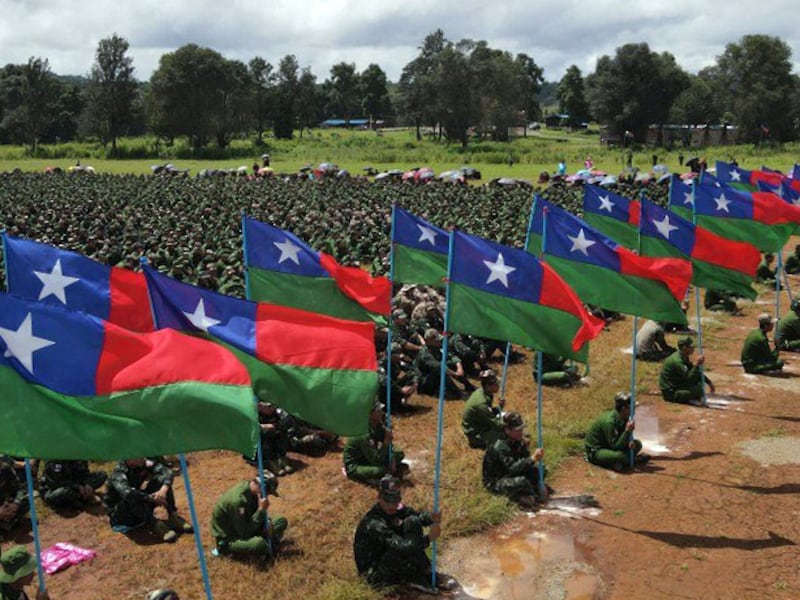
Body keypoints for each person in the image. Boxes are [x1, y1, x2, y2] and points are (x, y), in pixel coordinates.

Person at [353, 475, 446, 594]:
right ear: (379, 498)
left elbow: (416, 516)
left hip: (387, 556)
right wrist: (428, 538)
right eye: (388, 502)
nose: (392, 506)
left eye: (395, 501)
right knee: (400, 549)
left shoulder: (396, 509)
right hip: (374, 574)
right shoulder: (374, 523)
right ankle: (411, 577)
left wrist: (431, 517)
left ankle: (424, 571)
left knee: (412, 521)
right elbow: (402, 547)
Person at [104, 458, 193, 543]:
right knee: (132, 496)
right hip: (121, 514)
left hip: (139, 502)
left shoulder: (143, 462)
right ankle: (154, 524)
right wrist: (151, 498)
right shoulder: (119, 473)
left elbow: (167, 471)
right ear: (129, 459)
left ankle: (173, 516)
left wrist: (163, 490)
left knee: (160, 480)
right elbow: (127, 493)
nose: (142, 457)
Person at [210, 476, 287, 561]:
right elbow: (244, 533)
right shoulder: (237, 501)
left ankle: (268, 542)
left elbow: (251, 517)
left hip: (246, 525)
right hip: (231, 538)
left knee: (281, 521)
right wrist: (261, 510)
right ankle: (228, 551)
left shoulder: (251, 489)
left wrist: (266, 522)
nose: (267, 496)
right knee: (259, 543)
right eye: (267, 492)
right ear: (262, 488)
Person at [482, 412, 547, 508]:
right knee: (522, 481)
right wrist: (532, 458)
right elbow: (513, 468)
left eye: (521, 428)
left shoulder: (517, 440)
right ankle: (520, 497)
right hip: (497, 481)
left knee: (541, 470)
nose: (521, 432)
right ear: (507, 430)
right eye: (517, 430)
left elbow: (523, 463)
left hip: (510, 474)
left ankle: (531, 491)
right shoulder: (500, 445)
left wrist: (524, 448)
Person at [343, 401, 406, 485]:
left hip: (369, 457)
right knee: (382, 469)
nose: (382, 413)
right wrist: (386, 442)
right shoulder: (363, 433)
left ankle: (381, 473)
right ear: (370, 414)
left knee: (399, 454)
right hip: (356, 464)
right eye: (378, 411)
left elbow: (388, 442)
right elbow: (376, 461)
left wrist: (392, 457)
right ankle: (369, 478)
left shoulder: (377, 426)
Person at [585, 392, 647, 471]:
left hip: (610, 445)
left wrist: (630, 442)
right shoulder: (610, 422)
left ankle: (620, 462)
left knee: (638, 444)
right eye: (632, 407)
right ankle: (631, 460)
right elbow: (615, 447)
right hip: (597, 451)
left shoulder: (626, 417)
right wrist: (627, 431)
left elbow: (620, 438)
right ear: (624, 408)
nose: (635, 409)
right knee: (620, 456)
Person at [659, 337, 715, 404]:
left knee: (699, 384)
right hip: (671, 392)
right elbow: (689, 378)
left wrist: (709, 382)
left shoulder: (684, 356)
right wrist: (697, 365)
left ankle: (691, 397)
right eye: (691, 347)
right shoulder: (677, 361)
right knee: (698, 389)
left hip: (678, 384)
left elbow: (693, 371)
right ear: (684, 348)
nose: (693, 348)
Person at [39, 460, 107, 509]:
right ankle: (82, 497)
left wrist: (87, 484)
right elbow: (56, 483)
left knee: (102, 475)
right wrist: (77, 486)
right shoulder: (55, 459)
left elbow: (83, 474)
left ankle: (80, 496)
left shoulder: (78, 454)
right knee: (65, 492)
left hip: (74, 484)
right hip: (53, 490)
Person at [462, 370, 504, 449]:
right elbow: (496, 424)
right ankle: (480, 442)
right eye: (496, 384)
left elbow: (489, 412)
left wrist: (499, 407)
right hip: (476, 434)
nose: (498, 385)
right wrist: (509, 427)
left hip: (481, 423)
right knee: (507, 435)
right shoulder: (481, 403)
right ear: (488, 385)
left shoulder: (484, 392)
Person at [252, 401, 293, 476]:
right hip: (260, 442)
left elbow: (289, 421)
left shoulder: (278, 411)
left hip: (275, 437)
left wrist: (273, 426)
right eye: (268, 406)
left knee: (282, 434)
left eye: (272, 405)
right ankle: (270, 462)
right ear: (260, 406)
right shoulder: (253, 413)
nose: (272, 408)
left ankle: (281, 459)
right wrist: (261, 427)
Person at [0, 459, 29, 536]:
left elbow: (19, 488)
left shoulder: (6, 470)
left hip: (5, 503)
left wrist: (16, 503)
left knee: (26, 501)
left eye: (0, 459)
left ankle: (8, 523)